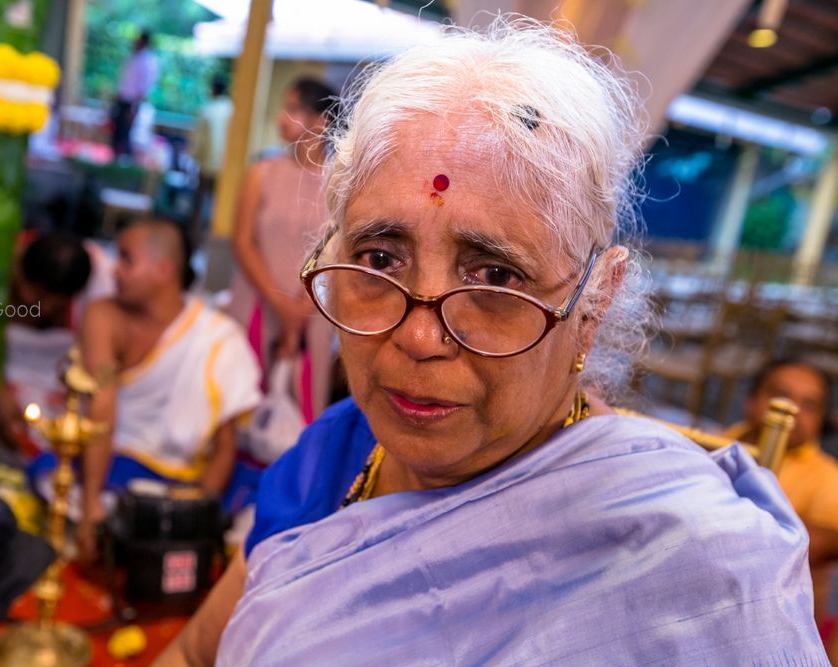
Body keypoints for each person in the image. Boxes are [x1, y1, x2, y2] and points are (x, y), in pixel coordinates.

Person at [155, 19, 826, 665]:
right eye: (380, 259)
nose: (417, 337)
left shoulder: (688, 568)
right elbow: (192, 651)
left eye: (496, 276)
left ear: (595, 301)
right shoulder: (332, 454)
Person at [44, 217, 262, 560]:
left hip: (185, 479)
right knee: (55, 481)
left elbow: (224, 447)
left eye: (126, 259)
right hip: (118, 465)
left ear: (163, 270)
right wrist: (90, 509)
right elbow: (102, 409)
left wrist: (192, 521)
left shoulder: (219, 338)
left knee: (260, 508)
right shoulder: (103, 315)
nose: (114, 270)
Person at [228, 77, 338, 423]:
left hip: (313, 309)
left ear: (322, 121)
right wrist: (280, 304)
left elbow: (338, 252)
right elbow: (243, 241)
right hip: (257, 300)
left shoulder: (341, 184)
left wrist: (299, 310)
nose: (281, 118)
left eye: (292, 110)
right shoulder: (261, 173)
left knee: (300, 406)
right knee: (240, 395)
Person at [723, 357, 838, 622]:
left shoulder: (829, 477)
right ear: (750, 399)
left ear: (821, 419)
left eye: (809, 405)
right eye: (780, 396)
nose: (792, 410)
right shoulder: (710, 443)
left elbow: (818, 544)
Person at [0, 232, 100, 462]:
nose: (45, 309)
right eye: (39, 295)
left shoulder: (99, 291)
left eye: (56, 303)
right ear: (19, 270)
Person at [190, 75, 233, 241]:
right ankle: (212, 237)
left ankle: (196, 238)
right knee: (219, 205)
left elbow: (199, 141)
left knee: (200, 205)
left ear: (213, 89)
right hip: (225, 167)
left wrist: (195, 159)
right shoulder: (231, 109)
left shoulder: (207, 110)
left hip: (207, 165)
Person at [111, 31, 160, 158]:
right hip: (124, 99)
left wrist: (134, 105)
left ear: (144, 41)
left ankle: (126, 160)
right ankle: (116, 159)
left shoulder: (148, 61)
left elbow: (145, 86)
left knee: (127, 134)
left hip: (133, 102)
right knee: (117, 132)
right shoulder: (133, 57)